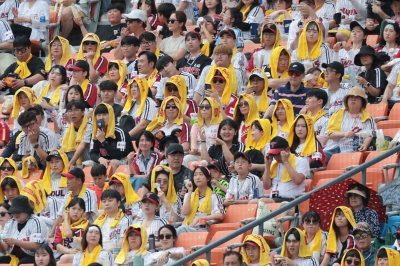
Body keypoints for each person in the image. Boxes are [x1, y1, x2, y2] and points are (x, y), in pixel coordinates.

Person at [323, 86, 377, 164]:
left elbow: (370, 134)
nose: (353, 99)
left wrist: (365, 145)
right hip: (331, 148)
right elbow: (329, 133)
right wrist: (344, 134)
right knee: (317, 158)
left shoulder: (368, 117)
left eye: (357, 97)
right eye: (351, 97)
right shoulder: (337, 114)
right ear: (347, 100)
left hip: (351, 150)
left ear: (362, 102)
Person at [0, 195, 48, 265]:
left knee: (23, 263)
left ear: (26, 210)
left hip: (36, 256)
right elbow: (4, 248)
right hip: (15, 257)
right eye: (13, 212)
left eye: (18, 211)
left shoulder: (36, 221)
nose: (15, 214)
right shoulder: (11, 222)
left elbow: (36, 246)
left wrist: (16, 241)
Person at [177, 166, 225, 234]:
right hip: (187, 226)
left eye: (201, 174)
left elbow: (220, 215)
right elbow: (185, 213)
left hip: (202, 230)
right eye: (195, 175)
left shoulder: (214, 196)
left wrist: (202, 218)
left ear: (208, 178)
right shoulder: (188, 195)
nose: (197, 177)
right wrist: (190, 192)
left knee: (179, 231)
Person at [262, 136, 309, 202]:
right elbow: (266, 186)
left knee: (260, 202)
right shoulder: (273, 163)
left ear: (287, 149)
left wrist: (286, 162)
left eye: (278, 154)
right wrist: (267, 165)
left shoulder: (300, 161)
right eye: (273, 154)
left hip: (291, 201)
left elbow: (298, 180)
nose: (276, 157)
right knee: (253, 202)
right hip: (274, 199)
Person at [90, 103, 134, 172]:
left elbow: (119, 155)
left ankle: (113, 182)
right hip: (104, 160)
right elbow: (92, 153)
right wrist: (100, 159)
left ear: (110, 115)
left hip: (125, 159)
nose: (101, 117)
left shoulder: (120, 132)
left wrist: (103, 141)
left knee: (113, 162)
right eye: (98, 115)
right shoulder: (95, 132)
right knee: (87, 164)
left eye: (104, 114)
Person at [53, 168, 97, 234]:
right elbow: (60, 216)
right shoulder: (68, 194)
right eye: (67, 179)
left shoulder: (89, 194)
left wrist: (73, 230)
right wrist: (52, 233)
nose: (67, 182)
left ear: (78, 181)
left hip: (85, 231)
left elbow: (86, 215)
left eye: (70, 179)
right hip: (69, 229)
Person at [184, 97, 222, 165]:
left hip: (213, 156)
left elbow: (218, 147)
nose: (204, 109)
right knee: (186, 159)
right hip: (198, 156)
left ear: (213, 108)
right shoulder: (196, 125)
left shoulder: (220, 126)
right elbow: (193, 145)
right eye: (201, 107)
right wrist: (194, 150)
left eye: (207, 107)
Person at [52, 198, 89, 262]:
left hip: (80, 254)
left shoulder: (86, 225)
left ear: (83, 212)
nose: (76, 212)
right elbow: (56, 244)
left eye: (79, 209)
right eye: (73, 208)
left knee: (64, 258)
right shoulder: (60, 226)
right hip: (62, 254)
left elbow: (69, 234)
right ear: (68, 210)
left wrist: (65, 219)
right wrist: (69, 251)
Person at [62, 100, 92, 167]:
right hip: (74, 163)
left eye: (76, 110)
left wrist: (70, 163)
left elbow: (82, 145)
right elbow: (63, 147)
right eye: (70, 111)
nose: (73, 113)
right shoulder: (68, 128)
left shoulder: (89, 126)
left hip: (90, 161)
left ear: (83, 112)